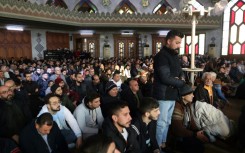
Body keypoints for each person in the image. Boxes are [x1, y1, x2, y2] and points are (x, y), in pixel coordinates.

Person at [153, 30, 185, 152]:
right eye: (177, 42)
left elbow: (179, 72)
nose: (179, 45)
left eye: (180, 43)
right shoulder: (161, 56)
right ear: (168, 41)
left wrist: (179, 79)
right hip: (163, 94)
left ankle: (163, 145)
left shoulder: (174, 55)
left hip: (171, 94)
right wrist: (181, 83)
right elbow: (165, 78)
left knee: (167, 122)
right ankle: (157, 149)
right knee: (161, 123)